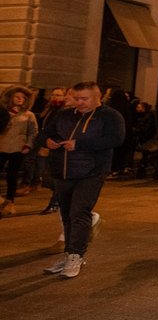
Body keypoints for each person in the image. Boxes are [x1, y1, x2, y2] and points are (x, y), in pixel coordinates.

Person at [42, 82, 125, 278]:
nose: (80, 103)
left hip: (91, 172)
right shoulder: (64, 115)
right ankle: (68, 253)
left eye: (84, 99)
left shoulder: (110, 116)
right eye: (76, 98)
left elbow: (116, 139)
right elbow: (46, 132)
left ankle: (76, 255)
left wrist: (79, 144)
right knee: (67, 215)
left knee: (79, 212)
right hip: (63, 171)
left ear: (98, 97)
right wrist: (49, 141)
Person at [0, 86, 38, 217]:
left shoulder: (29, 115)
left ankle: (10, 202)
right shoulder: (3, 112)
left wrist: (28, 145)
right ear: (11, 98)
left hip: (18, 148)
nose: (20, 99)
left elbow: (33, 132)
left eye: (23, 98)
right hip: (2, 146)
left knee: (12, 175)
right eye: (17, 97)